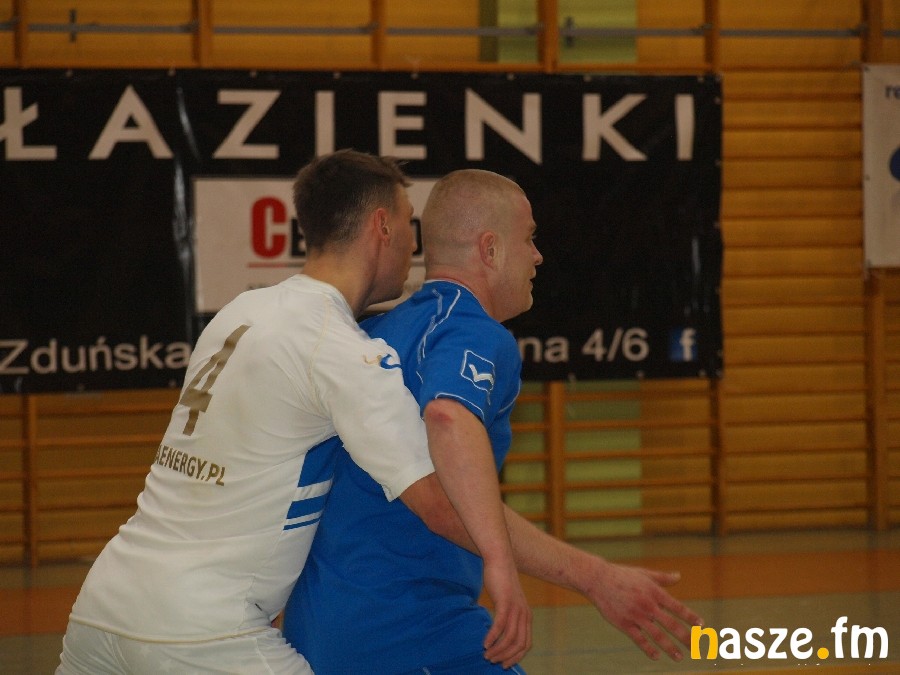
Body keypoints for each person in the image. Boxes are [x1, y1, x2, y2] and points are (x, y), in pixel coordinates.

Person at [56, 151, 530, 674]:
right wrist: (567, 570)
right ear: (382, 227)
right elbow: (442, 504)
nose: (413, 247)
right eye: (407, 225)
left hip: (103, 603)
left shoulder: (239, 313)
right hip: (202, 630)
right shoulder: (341, 348)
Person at [283, 169, 704, 673]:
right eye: (528, 239)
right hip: (404, 627)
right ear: (491, 249)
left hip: (320, 623)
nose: (538, 256)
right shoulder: (473, 331)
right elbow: (447, 417)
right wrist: (539, 570)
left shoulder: (375, 330)